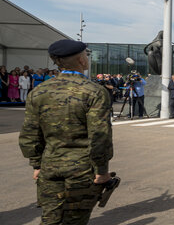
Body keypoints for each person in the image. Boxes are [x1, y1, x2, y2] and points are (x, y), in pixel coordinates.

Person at [19, 40, 113, 225]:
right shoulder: (94, 92)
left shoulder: (38, 92)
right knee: (74, 220)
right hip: (81, 169)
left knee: (50, 218)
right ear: (81, 60)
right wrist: (102, 170)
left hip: (49, 167)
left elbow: (29, 134)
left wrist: (36, 165)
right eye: (86, 55)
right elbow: (99, 136)